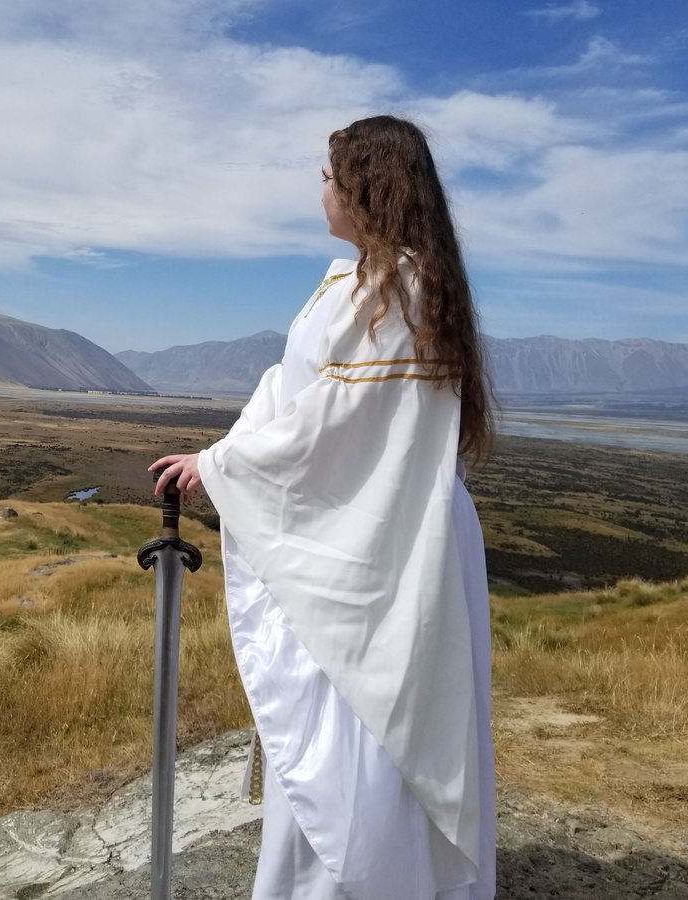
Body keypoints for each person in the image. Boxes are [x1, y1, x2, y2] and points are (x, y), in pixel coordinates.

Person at [150, 115, 496, 899]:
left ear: (366, 191)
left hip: (385, 545)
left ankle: (376, 880)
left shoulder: (397, 291)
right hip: (365, 532)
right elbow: (287, 390)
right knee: (357, 719)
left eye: (330, 177)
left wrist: (221, 467)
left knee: (374, 721)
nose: (322, 191)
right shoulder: (350, 284)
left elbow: (331, 428)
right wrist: (219, 458)